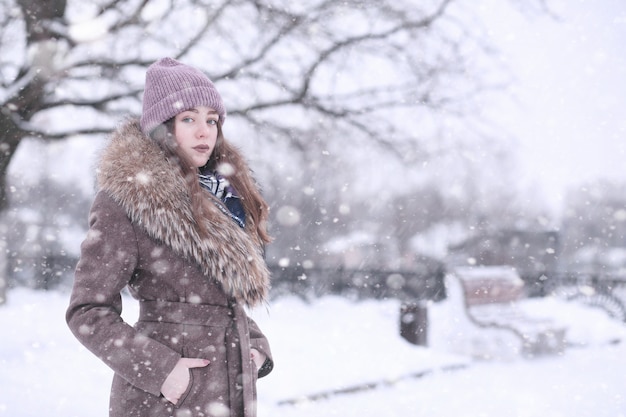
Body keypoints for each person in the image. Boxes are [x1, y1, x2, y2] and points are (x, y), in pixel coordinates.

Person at [66, 57, 274, 417]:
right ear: (162, 127)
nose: (204, 131)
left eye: (212, 120)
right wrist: (164, 371)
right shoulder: (128, 200)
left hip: (228, 395)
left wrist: (254, 345)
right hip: (162, 402)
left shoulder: (223, 198)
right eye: (189, 119)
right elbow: (87, 310)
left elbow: (219, 301)